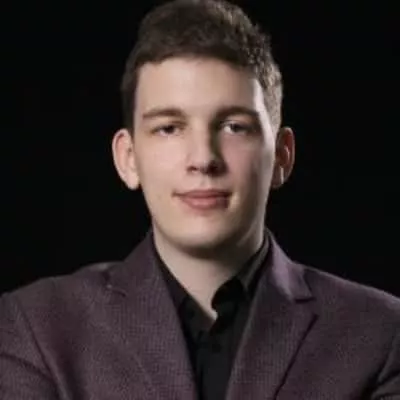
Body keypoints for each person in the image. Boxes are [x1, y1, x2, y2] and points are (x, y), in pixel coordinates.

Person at [1, 0, 399, 398]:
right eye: (169, 128)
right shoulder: (34, 328)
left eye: (234, 126)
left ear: (281, 156)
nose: (203, 159)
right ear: (128, 158)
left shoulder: (382, 335)